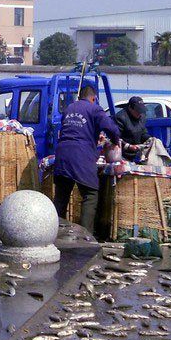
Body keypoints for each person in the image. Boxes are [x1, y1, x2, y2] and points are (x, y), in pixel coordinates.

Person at [53, 85, 121, 235]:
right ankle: (86, 236)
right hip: (81, 155)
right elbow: (111, 128)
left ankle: (54, 233)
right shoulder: (95, 109)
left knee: (61, 197)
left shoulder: (69, 108)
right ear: (94, 98)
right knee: (90, 194)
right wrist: (116, 141)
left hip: (62, 154)